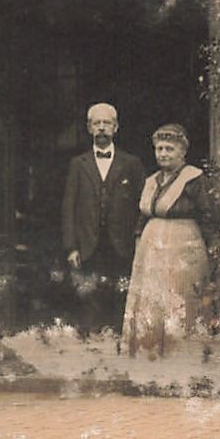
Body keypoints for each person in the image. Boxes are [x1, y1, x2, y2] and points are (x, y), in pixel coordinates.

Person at [123, 123, 220, 358]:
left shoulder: (194, 179)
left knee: (179, 298)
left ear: (182, 152)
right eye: (159, 149)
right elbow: (143, 216)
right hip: (152, 247)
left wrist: (211, 249)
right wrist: (139, 240)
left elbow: (211, 215)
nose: (163, 154)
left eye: (169, 149)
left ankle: (182, 355)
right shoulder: (152, 181)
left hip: (184, 245)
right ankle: (150, 354)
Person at [61, 102, 145, 337]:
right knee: (89, 296)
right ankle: (93, 349)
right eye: (96, 123)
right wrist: (71, 246)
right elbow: (69, 207)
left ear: (116, 127)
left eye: (106, 123)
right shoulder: (78, 164)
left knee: (120, 294)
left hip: (122, 244)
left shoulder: (131, 163)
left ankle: (120, 344)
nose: (101, 128)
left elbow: (143, 206)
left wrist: (139, 241)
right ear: (89, 128)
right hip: (88, 243)